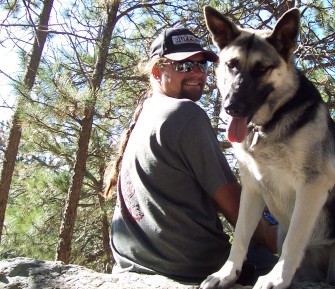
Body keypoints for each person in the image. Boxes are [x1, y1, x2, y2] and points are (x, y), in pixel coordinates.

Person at [103, 27, 278, 284]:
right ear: (156, 71)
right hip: (195, 267)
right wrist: (282, 236)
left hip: (136, 266)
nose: (197, 73)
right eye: (184, 66)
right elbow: (238, 211)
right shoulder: (184, 113)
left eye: (201, 65)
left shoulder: (144, 117)